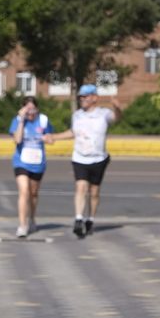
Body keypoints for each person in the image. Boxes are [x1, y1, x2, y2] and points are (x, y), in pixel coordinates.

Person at [48, 83, 120, 238]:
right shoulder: (77, 115)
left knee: (94, 192)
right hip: (80, 157)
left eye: (85, 96)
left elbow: (116, 118)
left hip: (99, 158)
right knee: (81, 187)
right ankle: (78, 219)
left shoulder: (103, 114)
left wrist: (117, 108)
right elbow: (73, 132)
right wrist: (54, 137)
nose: (82, 99)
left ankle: (90, 219)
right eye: (81, 97)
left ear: (94, 98)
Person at [8, 96, 55, 238]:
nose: (31, 113)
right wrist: (22, 120)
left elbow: (51, 138)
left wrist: (48, 139)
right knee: (24, 191)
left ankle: (32, 218)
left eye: (33, 109)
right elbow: (17, 140)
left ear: (37, 109)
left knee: (33, 193)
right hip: (21, 161)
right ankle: (22, 225)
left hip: (37, 162)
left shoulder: (44, 120)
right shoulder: (17, 121)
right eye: (27, 109)